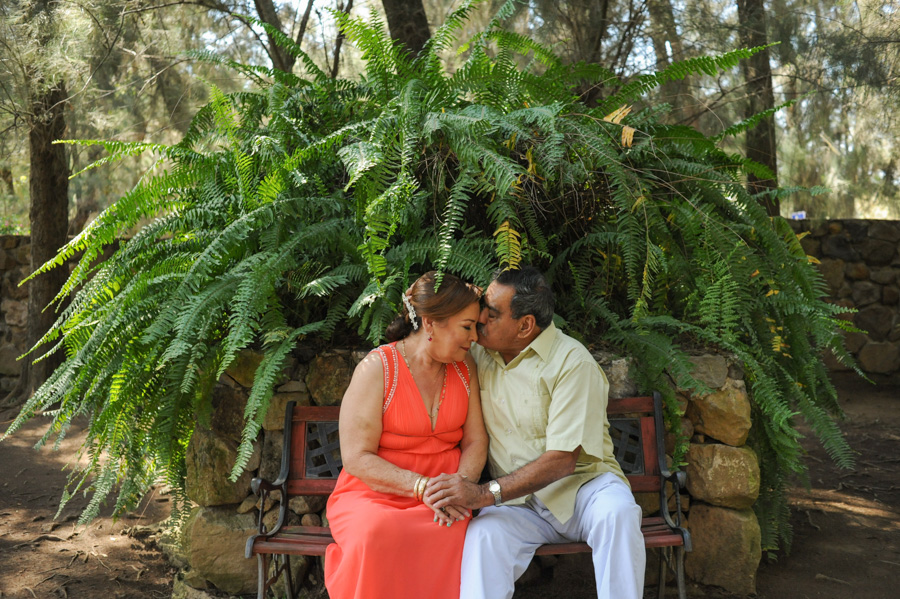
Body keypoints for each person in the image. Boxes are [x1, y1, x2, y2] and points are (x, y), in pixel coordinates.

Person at [425, 266, 646, 599]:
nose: (480, 317)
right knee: (484, 537)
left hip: (581, 492)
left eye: (492, 313)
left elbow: (561, 462)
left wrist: (483, 494)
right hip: (518, 504)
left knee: (618, 514)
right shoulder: (478, 354)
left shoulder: (573, 363)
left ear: (525, 325)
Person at [324, 271, 488, 599]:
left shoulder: (464, 366)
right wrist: (420, 487)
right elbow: (356, 457)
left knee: (456, 531)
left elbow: (475, 440)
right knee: (376, 532)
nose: (474, 338)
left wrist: (460, 487)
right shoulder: (378, 369)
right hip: (375, 494)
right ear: (431, 322)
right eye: (467, 326)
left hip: (445, 495)